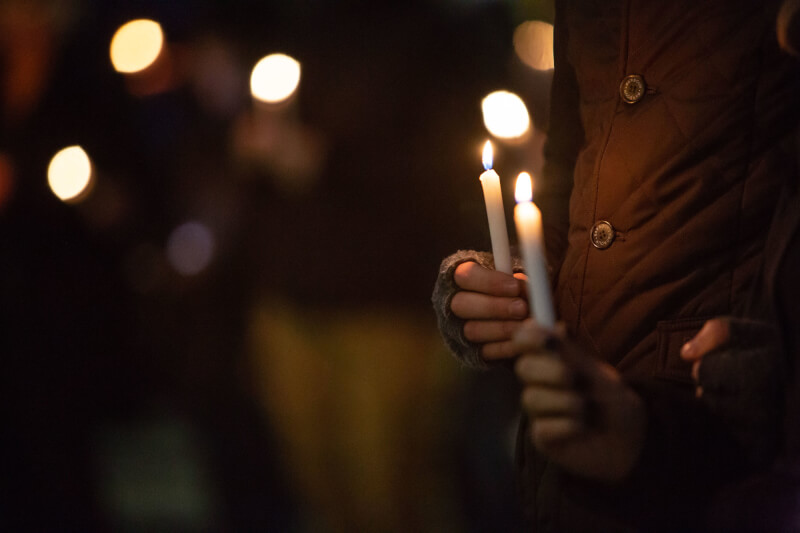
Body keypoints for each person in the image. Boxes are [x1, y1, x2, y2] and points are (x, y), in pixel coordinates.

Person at [433, 0, 800, 530]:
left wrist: (776, 366)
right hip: (573, 434)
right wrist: (504, 283)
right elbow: (566, 186)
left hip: (713, 444)